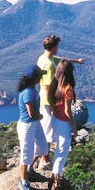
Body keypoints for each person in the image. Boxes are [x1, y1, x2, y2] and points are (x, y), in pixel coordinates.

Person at [35, 34, 83, 170]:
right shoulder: (49, 65)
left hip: (44, 98)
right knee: (47, 130)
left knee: (48, 129)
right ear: (54, 47)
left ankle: (44, 158)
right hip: (47, 101)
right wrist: (54, 103)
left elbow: (62, 60)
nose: (58, 49)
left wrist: (76, 61)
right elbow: (48, 87)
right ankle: (44, 160)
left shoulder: (43, 57)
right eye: (57, 46)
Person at [16, 64, 46, 190]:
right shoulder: (28, 92)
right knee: (26, 154)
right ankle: (23, 182)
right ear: (34, 78)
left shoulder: (32, 88)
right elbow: (31, 114)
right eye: (40, 76)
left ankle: (30, 170)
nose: (41, 77)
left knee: (42, 147)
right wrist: (41, 116)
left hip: (34, 124)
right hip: (27, 125)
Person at [48, 60, 77, 190]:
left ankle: (54, 176)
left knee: (58, 149)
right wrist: (74, 127)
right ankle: (56, 182)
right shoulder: (68, 88)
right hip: (63, 122)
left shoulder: (56, 85)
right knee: (63, 151)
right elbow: (67, 111)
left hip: (54, 119)